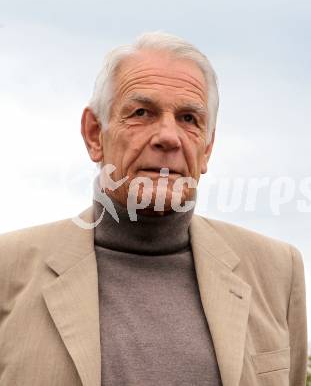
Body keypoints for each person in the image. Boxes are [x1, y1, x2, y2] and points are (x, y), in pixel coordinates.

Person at [0, 32, 307, 386]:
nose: (168, 137)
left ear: (207, 148)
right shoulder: (9, 269)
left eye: (189, 118)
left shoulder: (277, 272)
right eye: (142, 113)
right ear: (94, 134)